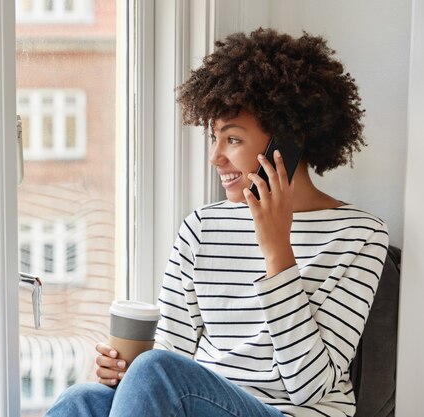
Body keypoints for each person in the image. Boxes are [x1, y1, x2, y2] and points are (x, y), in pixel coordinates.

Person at [44, 28, 389, 417]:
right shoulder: (201, 228)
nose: (215, 157)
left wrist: (277, 252)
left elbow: (308, 387)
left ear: (287, 142)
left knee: (155, 371)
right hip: (201, 404)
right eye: (214, 137)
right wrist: (122, 372)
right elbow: (170, 357)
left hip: (290, 413)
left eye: (233, 140)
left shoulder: (358, 235)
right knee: (80, 400)